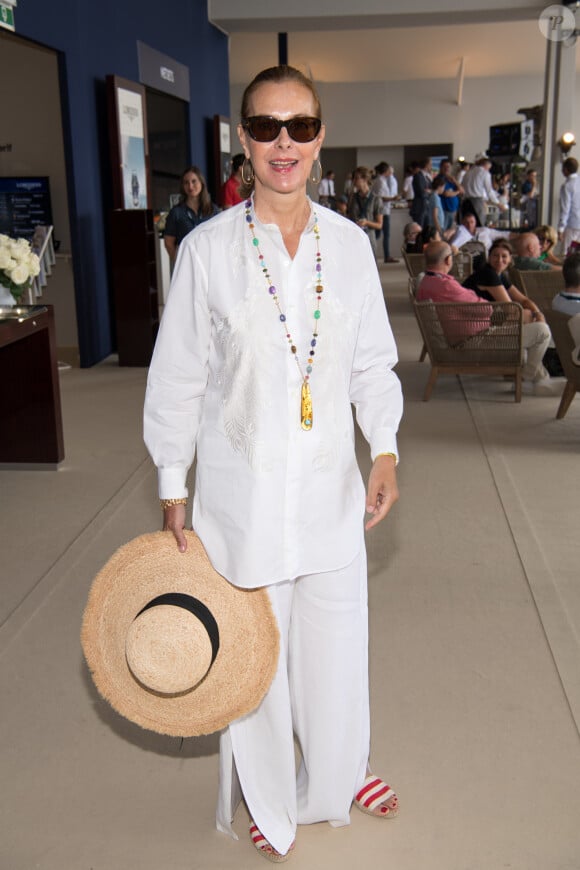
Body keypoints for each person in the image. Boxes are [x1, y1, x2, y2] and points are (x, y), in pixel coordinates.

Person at [144, 64, 403, 863]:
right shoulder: (207, 252)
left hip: (330, 486)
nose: (282, 144)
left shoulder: (352, 249)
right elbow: (179, 376)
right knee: (255, 653)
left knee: (334, 640)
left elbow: (371, 366)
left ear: (319, 135)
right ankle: (264, 793)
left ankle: (338, 767)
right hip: (241, 497)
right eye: (265, 128)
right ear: (243, 141)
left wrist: (384, 445)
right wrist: (171, 484)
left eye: (298, 126)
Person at [462, 239, 554, 392]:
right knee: (542, 332)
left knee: (537, 325)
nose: (499, 260)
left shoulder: (499, 275)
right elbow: (512, 310)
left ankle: (537, 377)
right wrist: (532, 317)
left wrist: (538, 313)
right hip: (479, 334)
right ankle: (527, 378)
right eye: (495, 256)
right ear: (489, 257)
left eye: (504, 256)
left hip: (488, 326)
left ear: (510, 258)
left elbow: (523, 300)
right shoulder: (487, 274)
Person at [163, 166, 219, 261]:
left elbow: (219, 237)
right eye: (186, 183)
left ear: (201, 182)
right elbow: (169, 242)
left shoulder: (213, 210)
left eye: (194, 181)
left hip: (209, 262)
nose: (190, 186)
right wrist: (178, 262)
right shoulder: (176, 212)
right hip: (187, 263)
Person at [461, 156, 507, 227]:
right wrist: (498, 204)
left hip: (465, 202)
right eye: (489, 168)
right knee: (479, 225)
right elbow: (489, 191)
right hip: (476, 202)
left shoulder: (467, 173)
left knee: (467, 226)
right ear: (486, 165)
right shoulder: (484, 173)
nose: (488, 170)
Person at [347, 166, 383, 245]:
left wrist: (366, 223)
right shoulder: (353, 197)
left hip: (369, 238)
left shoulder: (376, 199)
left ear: (365, 179)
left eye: (357, 178)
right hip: (354, 237)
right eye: (354, 178)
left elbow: (379, 225)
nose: (354, 181)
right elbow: (349, 216)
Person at [371, 162, 399, 263]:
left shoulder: (382, 181)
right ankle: (387, 255)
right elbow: (380, 198)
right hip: (383, 211)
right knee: (384, 234)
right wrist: (393, 198)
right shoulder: (380, 181)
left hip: (385, 210)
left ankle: (387, 255)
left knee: (379, 234)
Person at [557, 157, 580, 255]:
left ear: (566, 169)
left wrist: (561, 228)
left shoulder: (567, 186)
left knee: (567, 253)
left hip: (572, 223)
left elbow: (565, 208)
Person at [440, 159, 462, 231]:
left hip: (453, 210)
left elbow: (462, 191)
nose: (447, 168)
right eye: (445, 167)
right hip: (444, 210)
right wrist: (457, 192)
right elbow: (446, 193)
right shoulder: (440, 179)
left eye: (448, 167)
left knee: (451, 231)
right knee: (444, 231)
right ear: (441, 167)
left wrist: (455, 181)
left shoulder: (451, 180)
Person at [410, 158, 431, 229]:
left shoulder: (427, 177)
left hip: (426, 207)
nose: (431, 166)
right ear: (426, 165)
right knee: (419, 229)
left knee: (427, 228)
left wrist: (429, 191)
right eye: (430, 164)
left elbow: (432, 189)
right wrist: (428, 192)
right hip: (420, 207)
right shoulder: (418, 176)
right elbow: (421, 192)